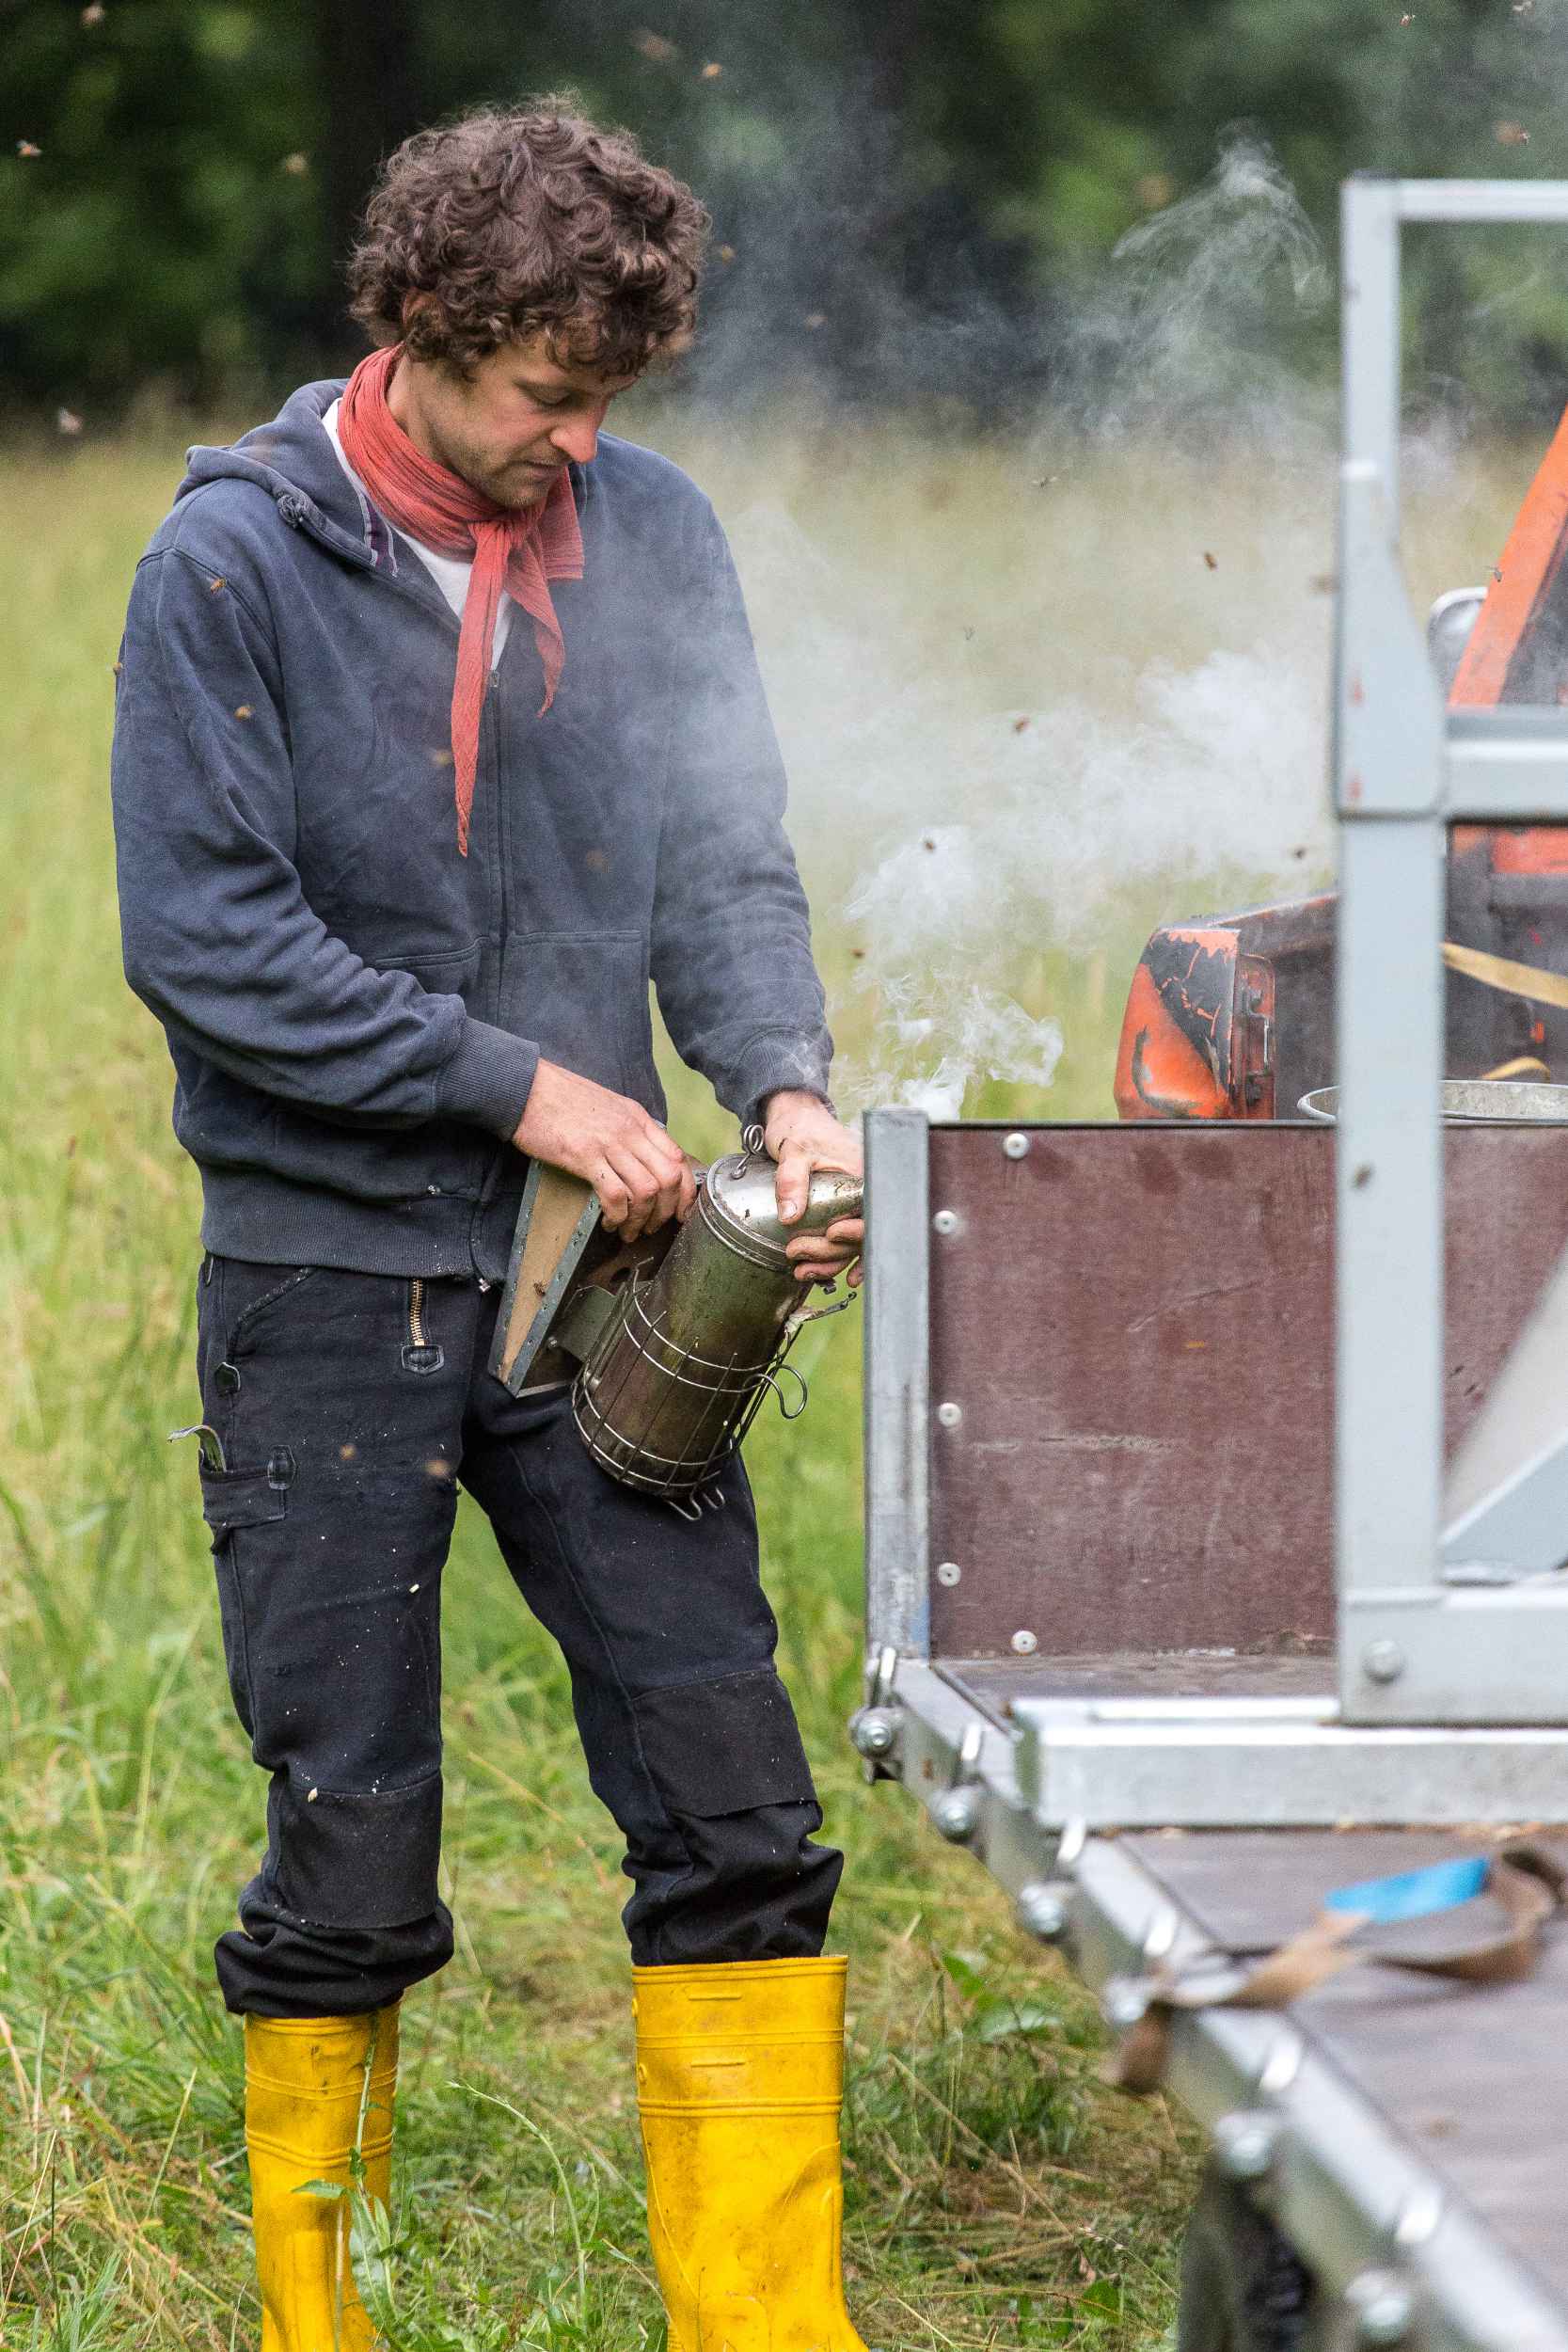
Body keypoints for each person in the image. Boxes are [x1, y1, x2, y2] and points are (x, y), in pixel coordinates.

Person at [109, 96, 868, 2352]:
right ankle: (313, 2323)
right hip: (332, 1281)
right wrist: (517, 1077)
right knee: (353, 1843)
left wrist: (788, 1085)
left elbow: (726, 854)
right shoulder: (226, 567)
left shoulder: (653, 535)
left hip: (604, 1289)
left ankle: (769, 2324)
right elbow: (210, 939)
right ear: (424, 328)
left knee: (736, 1799)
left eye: (614, 397)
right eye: (548, 392)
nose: (579, 441)